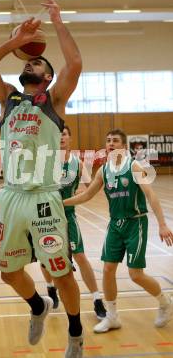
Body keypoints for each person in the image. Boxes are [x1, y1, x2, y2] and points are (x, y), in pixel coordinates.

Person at [0, 0, 83, 357]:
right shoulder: (8, 98)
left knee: (61, 272)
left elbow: (76, 62)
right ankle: (38, 306)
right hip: (11, 196)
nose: (31, 63)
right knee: (9, 273)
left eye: (37, 61)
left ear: (47, 77)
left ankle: (76, 333)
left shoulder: (54, 100)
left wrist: (57, 20)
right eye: (29, 60)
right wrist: (14, 44)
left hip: (44, 197)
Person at [64, 128, 173, 333]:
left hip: (136, 223)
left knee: (135, 274)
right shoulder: (103, 170)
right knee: (107, 269)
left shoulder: (134, 166)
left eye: (115, 140)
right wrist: (61, 202)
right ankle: (112, 317)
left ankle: (165, 302)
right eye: (108, 141)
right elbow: (87, 195)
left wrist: (163, 224)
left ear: (123, 146)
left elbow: (151, 195)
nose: (111, 144)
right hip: (115, 224)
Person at [41, 126, 107, 320]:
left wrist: (71, 198)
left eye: (64, 134)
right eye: (57, 135)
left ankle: (97, 300)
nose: (61, 137)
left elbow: (90, 189)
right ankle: (51, 288)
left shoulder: (77, 164)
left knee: (80, 256)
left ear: (69, 138)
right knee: (47, 259)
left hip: (68, 216)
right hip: (47, 217)